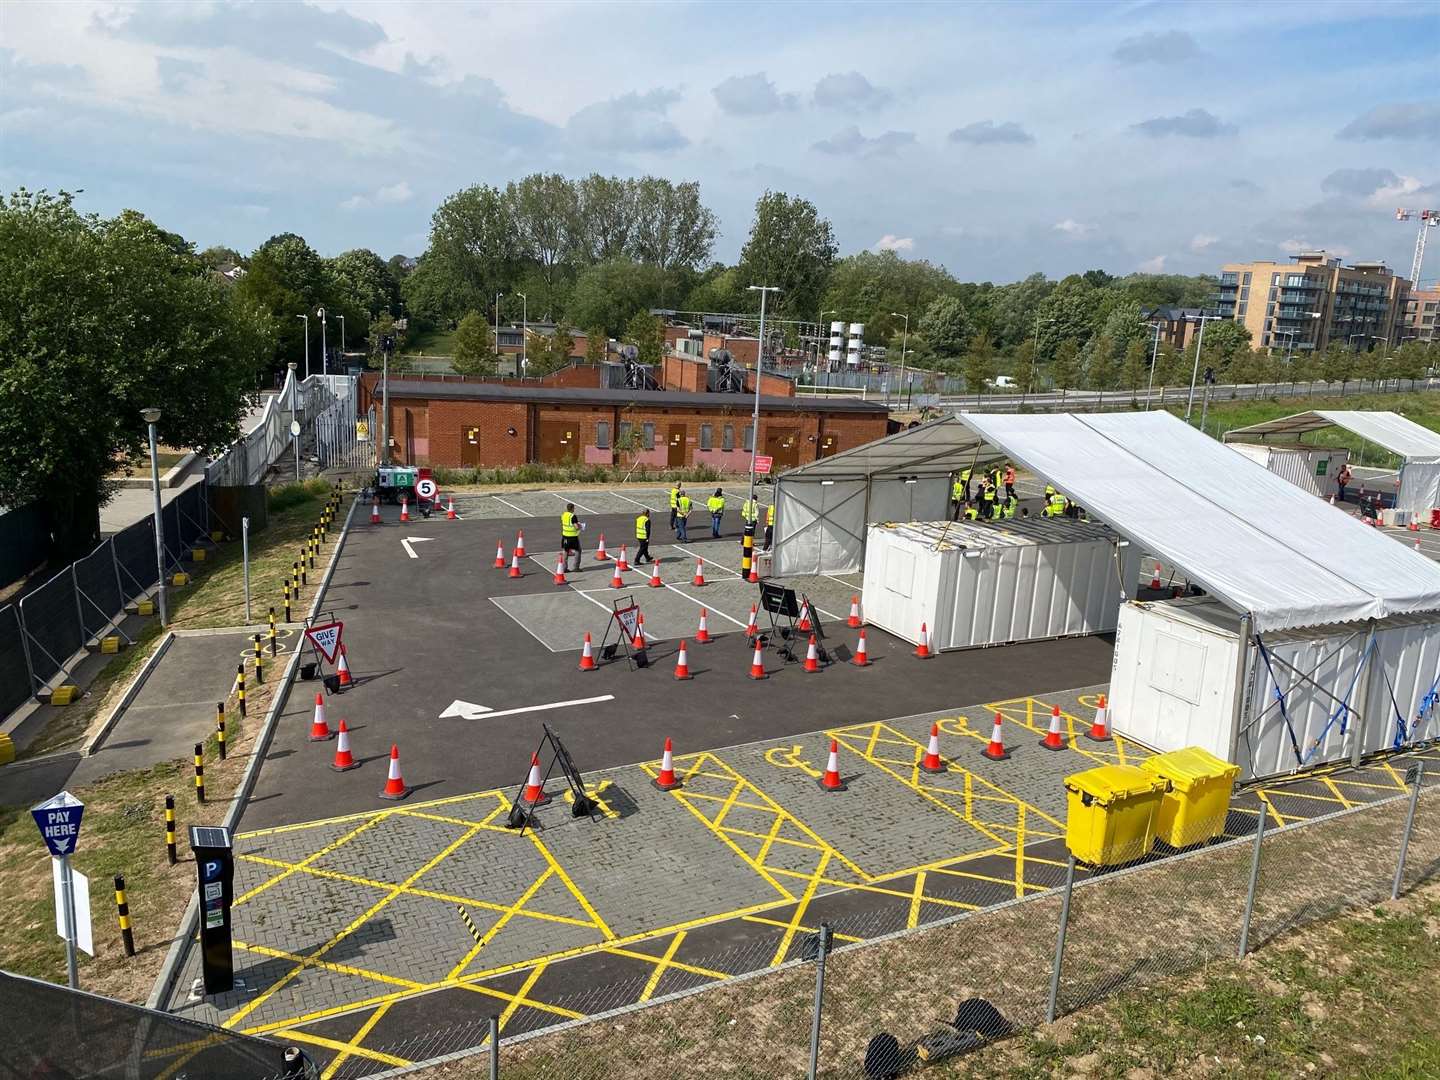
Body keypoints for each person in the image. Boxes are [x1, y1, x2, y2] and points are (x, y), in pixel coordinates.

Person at [560, 503, 583, 571]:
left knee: (565, 551)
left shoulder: (563, 515)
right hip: (573, 537)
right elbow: (576, 527)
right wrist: (580, 526)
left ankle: (564, 568)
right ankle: (576, 567)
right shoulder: (573, 516)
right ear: (572, 508)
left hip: (565, 536)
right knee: (578, 550)